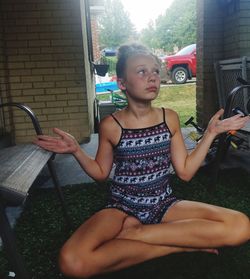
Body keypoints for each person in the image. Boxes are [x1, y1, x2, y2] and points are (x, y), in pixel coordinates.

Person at [34, 43, 250, 278]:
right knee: (72, 262)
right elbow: (100, 173)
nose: (152, 77)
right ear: (122, 83)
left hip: (164, 203)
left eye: (155, 71)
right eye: (141, 71)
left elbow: (185, 173)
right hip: (121, 208)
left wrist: (209, 134)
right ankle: (179, 243)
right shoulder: (111, 125)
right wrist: (77, 150)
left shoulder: (170, 118)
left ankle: (138, 234)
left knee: (241, 226)